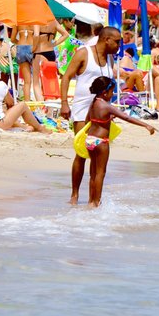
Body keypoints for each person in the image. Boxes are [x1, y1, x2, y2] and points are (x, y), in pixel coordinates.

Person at [60, 26, 121, 206]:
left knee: (97, 156)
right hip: (81, 111)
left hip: (100, 113)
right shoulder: (83, 53)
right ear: (106, 40)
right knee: (82, 153)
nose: (119, 45)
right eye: (117, 41)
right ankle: (74, 195)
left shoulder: (110, 58)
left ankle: (93, 200)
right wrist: (64, 102)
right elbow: (66, 77)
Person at [81, 76, 157, 207]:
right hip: (101, 141)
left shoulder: (93, 103)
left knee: (93, 173)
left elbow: (89, 120)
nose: (112, 94)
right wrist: (146, 125)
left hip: (90, 140)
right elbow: (127, 117)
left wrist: (106, 120)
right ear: (105, 92)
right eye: (111, 92)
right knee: (100, 173)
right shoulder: (106, 106)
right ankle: (97, 202)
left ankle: (90, 201)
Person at [0, 57, 50, 133]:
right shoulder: (1, 85)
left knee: (2, 112)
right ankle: (40, 128)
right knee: (22, 105)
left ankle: (24, 127)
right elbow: (10, 103)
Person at [11, 25, 39, 102]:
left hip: (21, 47)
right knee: (36, 80)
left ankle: (27, 104)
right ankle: (38, 102)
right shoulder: (34, 21)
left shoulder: (17, 22)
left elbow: (12, 39)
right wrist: (34, 47)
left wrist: (20, 44)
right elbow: (37, 35)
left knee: (27, 81)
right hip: (32, 46)